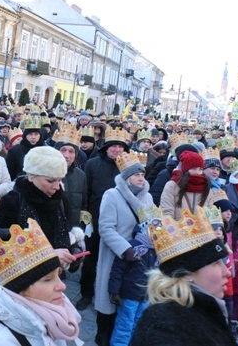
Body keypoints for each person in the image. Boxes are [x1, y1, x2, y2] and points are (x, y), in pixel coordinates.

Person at [0, 219, 82, 345]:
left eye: (58, 275)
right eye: (48, 279)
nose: (62, 286)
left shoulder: (52, 315)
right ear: (19, 290)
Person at [130, 206, 236, 345]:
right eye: (216, 263)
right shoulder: (165, 326)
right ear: (187, 273)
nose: (227, 272)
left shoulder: (207, 309)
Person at [94, 150, 155, 346]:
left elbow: (154, 224)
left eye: (142, 174)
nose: (140, 178)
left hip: (141, 260)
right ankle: (103, 337)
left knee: (133, 308)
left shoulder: (148, 198)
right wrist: (125, 248)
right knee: (110, 303)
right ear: (127, 177)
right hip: (117, 255)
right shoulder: (112, 194)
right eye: (136, 174)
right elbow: (105, 227)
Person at [0, 146, 81, 270]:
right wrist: (48, 255)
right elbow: (0, 244)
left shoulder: (61, 200)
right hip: (23, 281)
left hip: (55, 277)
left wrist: (74, 252)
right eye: (50, 181)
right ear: (31, 176)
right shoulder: (13, 200)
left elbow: (65, 234)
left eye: (59, 180)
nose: (57, 187)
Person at [77, 126, 129, 312]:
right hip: (96, 219)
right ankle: (86, 294)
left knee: (114, 263)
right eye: (113, 146)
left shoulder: (128, 167)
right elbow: (87, 192)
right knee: (90, 261)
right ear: (106, 147)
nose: (117, 149)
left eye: (120, 146)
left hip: (120, 224)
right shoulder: (93, 164)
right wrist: (85, 217)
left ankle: (109, 294)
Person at [108, 205, 162, 346]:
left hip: (146, 297)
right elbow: (117, 270)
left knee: (139, 325)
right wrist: (114, 291)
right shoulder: (132, 247)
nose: (156, 233)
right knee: (124, 326)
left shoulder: (159, 251)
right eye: (153, 229)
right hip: (129, 296)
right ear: (146, 228)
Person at [160, 150, 215, 220]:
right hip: (178, 229)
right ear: (186, 169)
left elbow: (209, 214)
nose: (198, 173)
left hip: (201, 229)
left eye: (200, 169)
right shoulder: (172, 186)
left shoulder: (207, 189)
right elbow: (167, 212)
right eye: (194, 169)